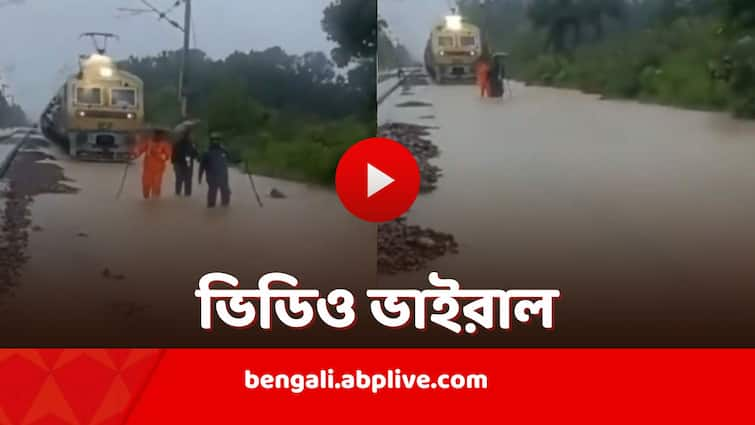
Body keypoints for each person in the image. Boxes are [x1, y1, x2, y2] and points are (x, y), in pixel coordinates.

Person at [131, 129, 172, 199]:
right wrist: (134, 154)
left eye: (161, 136)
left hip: (158, 170)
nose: (159, 137)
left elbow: (167, 156)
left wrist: (157, 154)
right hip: (147, 168)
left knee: (156, 186)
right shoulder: (148, 142)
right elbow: (140, 150)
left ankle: (155, 202)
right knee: (146, 185)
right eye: (157, 135)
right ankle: (146, 200)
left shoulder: (165, 144)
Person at [198, 132, 231, 208]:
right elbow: (202, 166)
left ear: (220, 141)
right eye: (214, 140)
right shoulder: (206, 153)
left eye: (217, 140)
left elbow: (232, 160)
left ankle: (225, 205)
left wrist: (241, 160)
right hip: (211, 176)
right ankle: (211, 205)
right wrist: (199, 177)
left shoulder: (224, 151)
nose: (216, 142)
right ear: (211, 141)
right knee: (212, 191)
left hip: (223, 175)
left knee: (225, 191)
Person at [172, 130, 199, 196]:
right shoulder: (191, 144)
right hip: (187, 162)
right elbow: (196, 154)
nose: (192, 137)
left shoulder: (177, 143)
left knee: (179, 179)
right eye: (191, 136)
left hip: (178, 163)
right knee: (188, 179)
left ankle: (178, 194)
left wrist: (173, 162)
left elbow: (173, 154)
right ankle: (187, 194)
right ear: (188, 136)